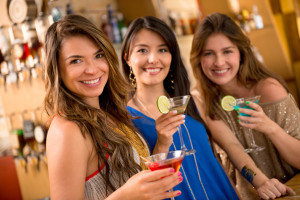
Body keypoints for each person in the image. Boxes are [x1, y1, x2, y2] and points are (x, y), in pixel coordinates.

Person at [44, 14, 183, 200]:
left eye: (98, 56)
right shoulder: (67, 130)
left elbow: (139, 180)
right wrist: (125, 196)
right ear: (58, 71)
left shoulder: (109, 112)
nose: (92, 69)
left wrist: (163, 142)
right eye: (76, 61)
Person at [121, 16, 240, 200]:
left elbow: (215, 160)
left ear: (172, 57)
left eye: (162, 50)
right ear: (127, 57)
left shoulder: (192, 102)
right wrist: (162, 142)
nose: (153, 59)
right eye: (142, 50)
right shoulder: (124, 119)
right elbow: (141, 186)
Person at [190, 12, 299, 200]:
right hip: (252, 194)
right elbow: (232, 147)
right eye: (209, 53)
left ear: (241, 53)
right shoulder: (202, 98)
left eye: (227, 51)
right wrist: (262, 183)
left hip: (292, 187)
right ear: (199, 58)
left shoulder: (268, 89)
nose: (219, 62)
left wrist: (270, 127)